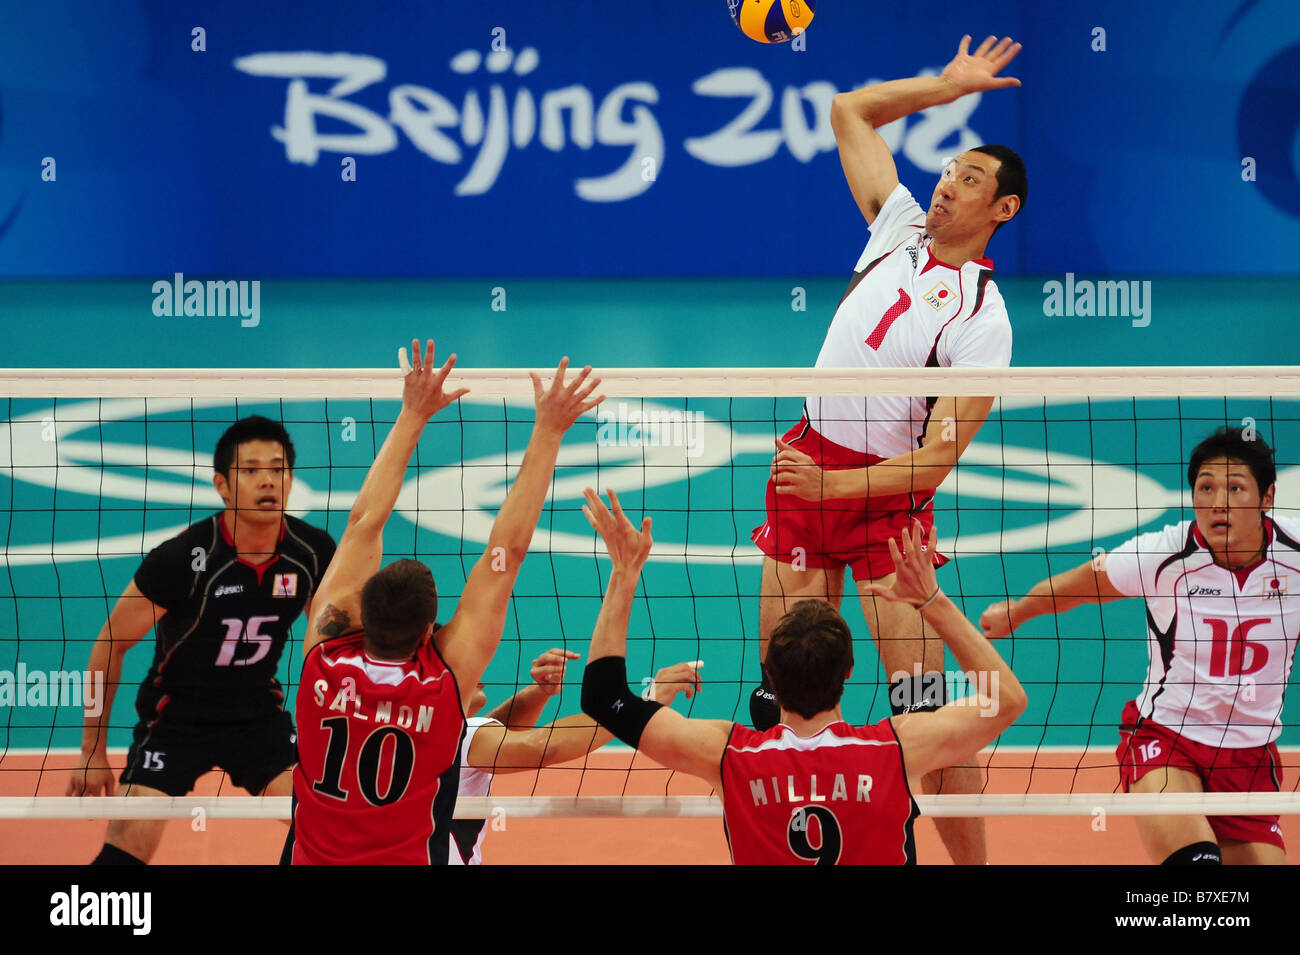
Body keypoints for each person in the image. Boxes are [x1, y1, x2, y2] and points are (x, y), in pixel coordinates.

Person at [748, 34, 1028, 864]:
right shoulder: (897, 224)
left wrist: (835, 492)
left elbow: (939, 460)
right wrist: (945, 86)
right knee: (781, 702)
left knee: (925, 719)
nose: (946, 187)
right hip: (805, 470)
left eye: (970, 181)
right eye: (949, 171)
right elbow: (849, 111)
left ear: (1002, 210)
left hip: (885, 510)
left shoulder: (982, 317)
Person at [581, 489, 1026, 865]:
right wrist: (931, 600)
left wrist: (624, 572)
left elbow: (602, 696)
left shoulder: (729, 756)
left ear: (769, 675)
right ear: (849, 671)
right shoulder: (897, 750)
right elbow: (1007, 699)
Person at [287, 341, 600, 865]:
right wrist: (548, 430)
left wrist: (412, 413)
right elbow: (508, 552)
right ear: (430, 628)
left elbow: (363, 523)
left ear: (360, 610)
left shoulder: (323, 652)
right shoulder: (444, 681)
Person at [981, 427, 1296, 866]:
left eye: (1234, 488)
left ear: (1267, 498)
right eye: (1205, 487)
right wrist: (1017, 613)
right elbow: (1081, 586)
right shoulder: (1165, 554)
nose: (1217, 502)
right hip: (1168, 739)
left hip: (1250, 755)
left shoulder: (1296, 554)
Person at [68, 415, 336, 865]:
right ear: (222, 485)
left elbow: (330, 644)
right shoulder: (184, 558)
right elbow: (109, 644)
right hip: (175, 718)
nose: (268, 481)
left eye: (278, 469)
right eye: (250, 471)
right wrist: (92, 752)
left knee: (323, 817)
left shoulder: (311, 553)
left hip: (256, 715)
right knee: (128, 842)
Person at [451, 648, 702, 864]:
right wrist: (647, 701)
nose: (480, 670)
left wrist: (539, 692)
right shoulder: (464, 737)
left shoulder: (433, 734)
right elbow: (544, 747)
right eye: (468, 661)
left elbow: (492, 732)